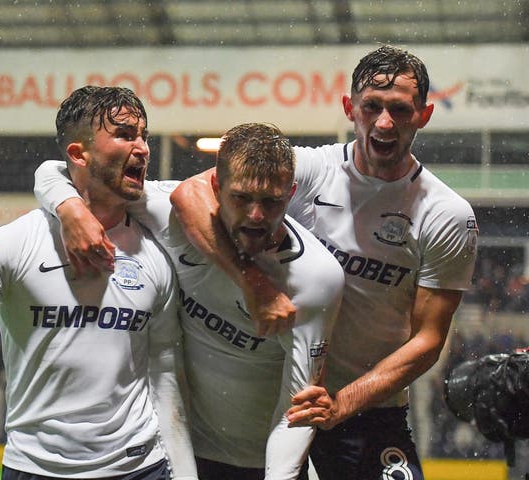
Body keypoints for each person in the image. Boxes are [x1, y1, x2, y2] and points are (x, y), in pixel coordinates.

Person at [167, 45, 480, 479]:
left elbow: (427, 339)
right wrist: (253, 283)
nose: (384, 123)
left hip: (365, 413)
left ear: (423, 115)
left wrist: (342, 403)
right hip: (276, 402)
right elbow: (191, 194)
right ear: (350, 108)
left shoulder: (447, 214)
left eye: (400, 110)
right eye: (372, 106)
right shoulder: (306, 170)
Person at [0, 86, 197, 480]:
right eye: (126, 135)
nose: (143, 147)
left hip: (139, 469)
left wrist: (183, 472)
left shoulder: (156, 254)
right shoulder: (13, 243)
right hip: (35, 469)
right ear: (78, 154)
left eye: (143, 135)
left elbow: (163, 375)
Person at [34, 123, 345, 479]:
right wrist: (70, 208)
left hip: (268, 463)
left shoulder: (318, 279)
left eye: (271, 201)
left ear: (290, 194)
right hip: (180, 456)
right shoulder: (171, 217)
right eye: (241, 198)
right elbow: (54, 170)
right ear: (215, 187)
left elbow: (297, 411)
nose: (256, 216)